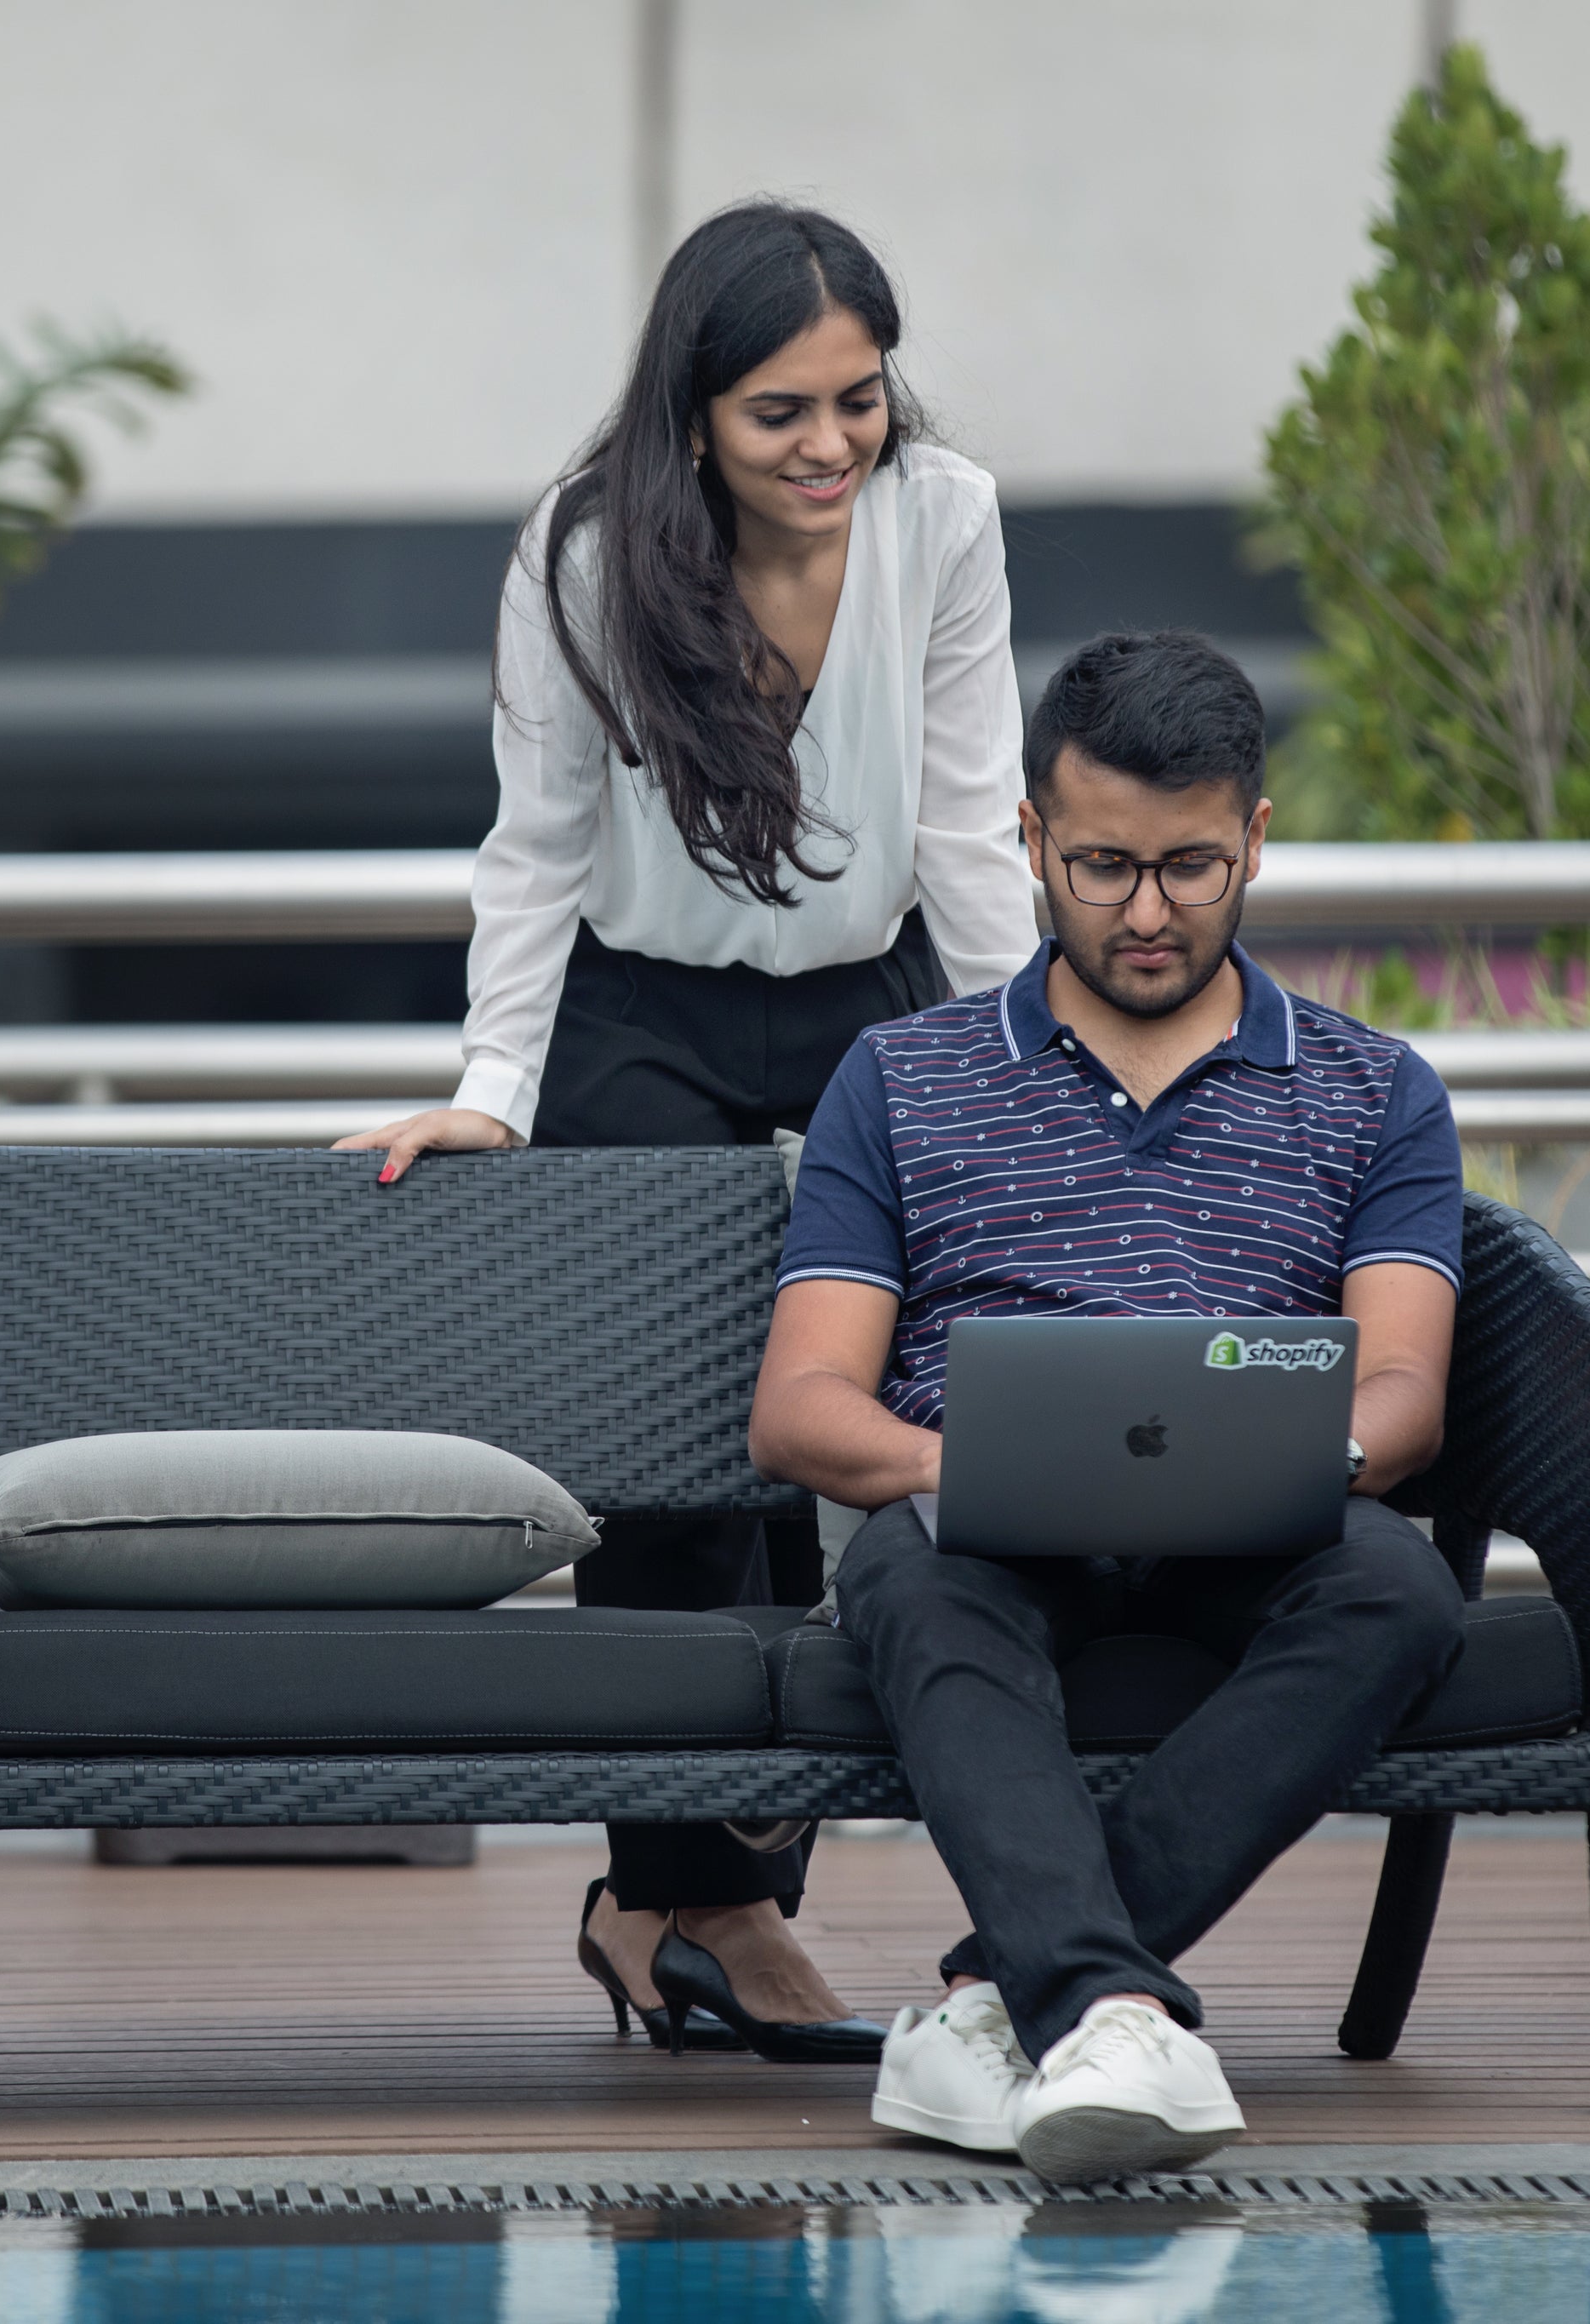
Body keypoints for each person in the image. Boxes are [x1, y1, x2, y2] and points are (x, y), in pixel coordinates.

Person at [337, 202, 1036, 2061]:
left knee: (880, 1404)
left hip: (868, 995)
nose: (825, 449)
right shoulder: (584, 557)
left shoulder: (941, 522)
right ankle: (684, 1897)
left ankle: (702, 1903)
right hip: (639, 1011)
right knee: (669, 1457)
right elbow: (534, 846)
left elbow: (969, 824)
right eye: (776, 415)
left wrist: (1022, 1068)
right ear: (692, 417)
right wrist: (494, 1091)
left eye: (855, 402)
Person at [746, 630, 1471, 2180]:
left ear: (1258, 839)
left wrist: (1302, 1459)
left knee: (1399, 1581)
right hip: (978, 1532)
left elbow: (1405, 1393)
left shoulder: (1373, 1088)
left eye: (1193, 867)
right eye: (1099, 867)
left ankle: (1002, 1998)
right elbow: (803, 1407)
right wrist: (988, 1467)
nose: (1146, 912)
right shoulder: (901, 1076)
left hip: (1256, 1541)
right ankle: (1111, 2005)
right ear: (1026, 837)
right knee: (914, 1575)